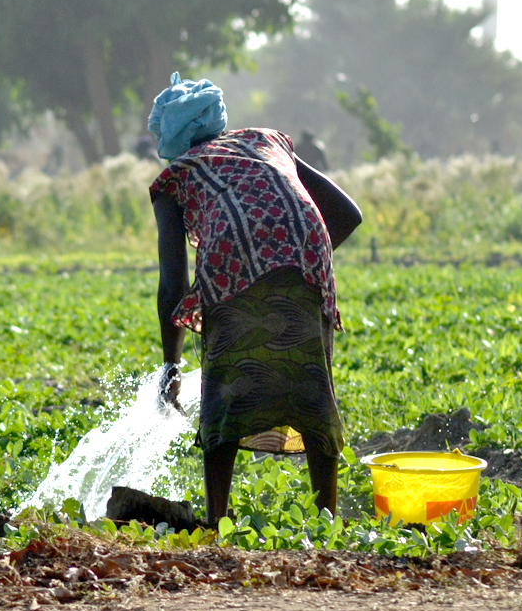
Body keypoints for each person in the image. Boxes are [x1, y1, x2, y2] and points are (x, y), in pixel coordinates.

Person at [147, 73, 361, 524]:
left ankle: (215, 522)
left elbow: (173, 282)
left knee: (223, 396)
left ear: (172, 139)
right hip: (305, 256)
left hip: (232, 257)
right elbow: (346, 213)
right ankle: (327, 522)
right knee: (312, 392)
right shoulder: (266, 140)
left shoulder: (175, 176)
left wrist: (171, 364)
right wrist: (291, 259)